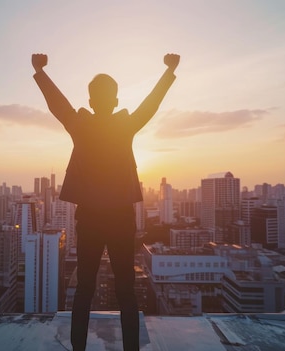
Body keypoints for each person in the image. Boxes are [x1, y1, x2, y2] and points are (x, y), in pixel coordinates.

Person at [32, 52, 179, 350]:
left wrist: (40, 72)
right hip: (120, 217)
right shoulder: (123, 126)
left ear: (90, 101)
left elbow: (57, 104)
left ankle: (78, 348)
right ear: (114, 101)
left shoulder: (81, 125)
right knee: (126, 288)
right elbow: (152, 104)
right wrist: (168, 72)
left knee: (84, 287)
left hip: (90, 217)